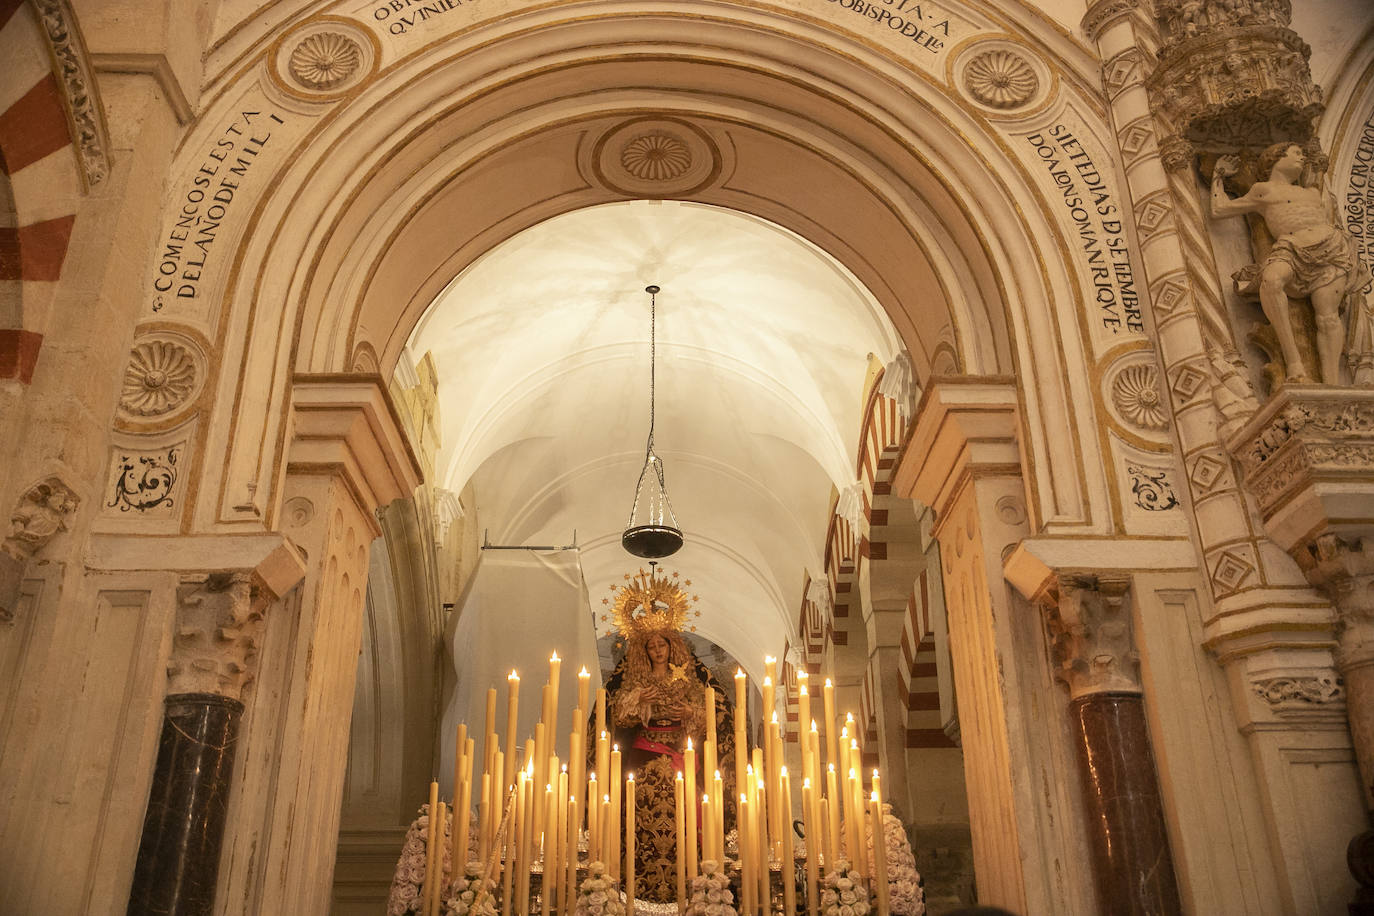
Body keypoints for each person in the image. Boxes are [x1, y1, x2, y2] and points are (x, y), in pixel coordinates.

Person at [595, 567, 736, 903]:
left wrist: (689, 713)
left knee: (686, 817)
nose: (658, 650)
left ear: (672, 647)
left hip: (681, 755)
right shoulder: (635, 680)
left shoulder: (690, 678)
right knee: (637, 817)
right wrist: (639, 700)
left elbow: (710, 717)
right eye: (652, 646)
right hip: (643, 757)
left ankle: (689, 887)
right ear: (644, 651)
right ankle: (637, 887)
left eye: (662, 644)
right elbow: (618, 717)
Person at [1211, 142, 1369, 385]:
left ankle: (1333, 385)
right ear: (1275, 157)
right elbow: (1219, 209)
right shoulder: (1263, 190)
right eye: (1296, 153)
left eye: (1303, 154)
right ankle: (1294, 362)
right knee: (1271, 280)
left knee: (1328, 317)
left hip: (1331, 249)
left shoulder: (1313, 193)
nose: (1302, 158)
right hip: (1292, 247)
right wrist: (1218, 175)